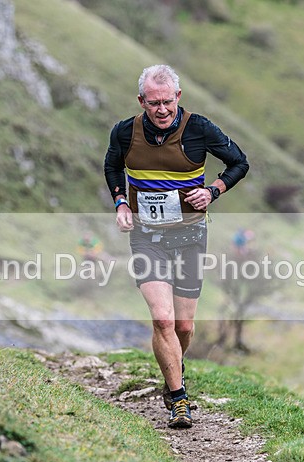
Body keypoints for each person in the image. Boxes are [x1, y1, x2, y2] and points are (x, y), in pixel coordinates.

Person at [104, 64, 249, 428]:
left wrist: (212, 191)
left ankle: (173, 370)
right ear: (142, 101)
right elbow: (112, 167)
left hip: (189, 237)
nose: (162, 110)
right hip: (146, 237)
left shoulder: (199, 128)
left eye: (167, 102)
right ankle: (178, 397)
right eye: (154, 103)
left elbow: (239, 162)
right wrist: (121, 202)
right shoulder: (125, 132)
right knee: (163, 318)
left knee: (183, 326)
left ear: (178, 98)